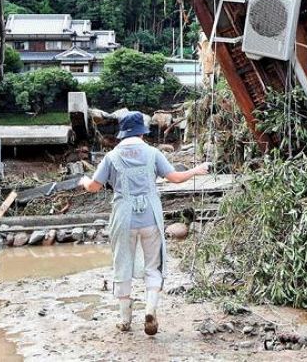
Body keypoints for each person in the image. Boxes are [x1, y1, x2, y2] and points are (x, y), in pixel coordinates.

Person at [78, 111, 210, 335]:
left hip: (123, 218)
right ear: (141, 133)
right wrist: (196, 170)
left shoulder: (111, 157)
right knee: (153, 265)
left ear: (122, 134)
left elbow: (94, 187)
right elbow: (175, 178)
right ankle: (150, 310)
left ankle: (125, 320)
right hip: (150, 217)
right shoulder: (153, 153)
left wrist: (84, 180)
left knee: (122, 264)